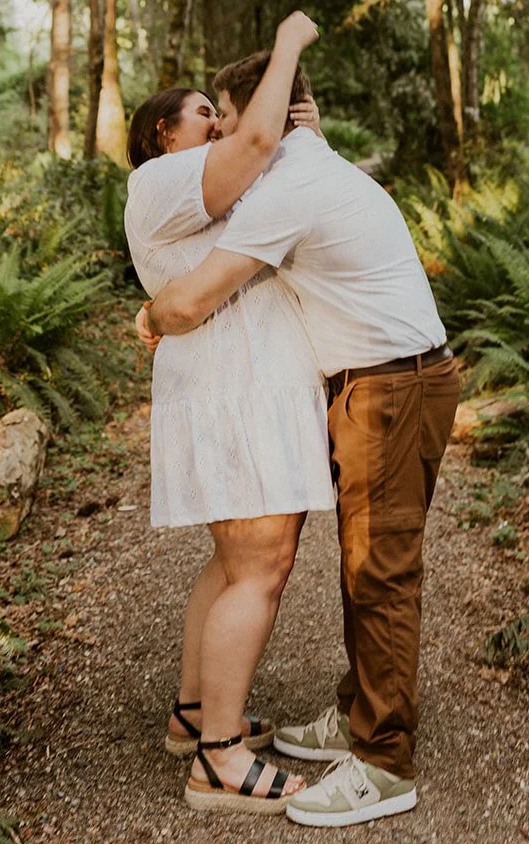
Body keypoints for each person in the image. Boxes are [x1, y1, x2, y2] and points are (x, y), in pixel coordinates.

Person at [141, 49, 460, 829]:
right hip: (371, 384)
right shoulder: (302, 171)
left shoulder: (288, 187)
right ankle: (356, 715)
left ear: (260, 122)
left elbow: (197, 298)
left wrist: (153, 314)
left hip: (390, 383)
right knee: (362, 566)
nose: (220, 131)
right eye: (204, 117)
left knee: (378, 573)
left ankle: (383, 762)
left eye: (227, 114)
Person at [124, 12, 333, 816]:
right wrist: (286, 46)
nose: (222, 123)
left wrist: (300, 136)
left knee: (230, 564)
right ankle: (220, 761)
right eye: (204, 115)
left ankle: (192, 714)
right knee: (259, 568)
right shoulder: (160, 180)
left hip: (240, 387)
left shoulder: (207, 185)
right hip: (232, 391)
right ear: (161, 138)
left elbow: (269, 168)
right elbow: (247, 150)